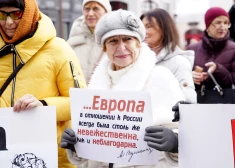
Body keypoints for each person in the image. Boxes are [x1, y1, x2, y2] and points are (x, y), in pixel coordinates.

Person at [61, 9, 186, 168]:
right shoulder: (94, 90)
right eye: (113, 41)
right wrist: (77, 146)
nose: (121, 47)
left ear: (138, 43)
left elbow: (186, 137)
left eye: (127, 39)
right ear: (104, 48)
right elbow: (92, 158)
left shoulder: (160, 78)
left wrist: (175, 143)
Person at [0, 0, 86, 168]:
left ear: (28, 14)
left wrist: (44, 104)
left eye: (16, 14)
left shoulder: (58, 49)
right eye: (3, 14)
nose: (9, 22)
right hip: (5, 154)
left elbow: (80, 102)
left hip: (48, 157)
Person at [140, 8, 196, 103]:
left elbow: (188, 100)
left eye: (148, 26)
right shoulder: (138, 60)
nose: (143, 31)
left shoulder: (179, 62)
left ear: (164, 28)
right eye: (141, 27)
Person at [187, 7, 235, 91]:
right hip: (197, 102)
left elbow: (233, 81)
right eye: (218, 22)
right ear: (208, 25)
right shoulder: (191, 49)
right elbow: (181, 81)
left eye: (226, 22)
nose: (223, 27)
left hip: (225, 102)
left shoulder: (233, 49)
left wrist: (217, 69)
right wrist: (190, 77)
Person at [67, 0, 111, 83]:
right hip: (76, 94)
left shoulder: (113, 39)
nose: (90, 14)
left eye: (96, 9)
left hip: (102, 95)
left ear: (106, 12)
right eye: (87, 9)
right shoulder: (74, 36)